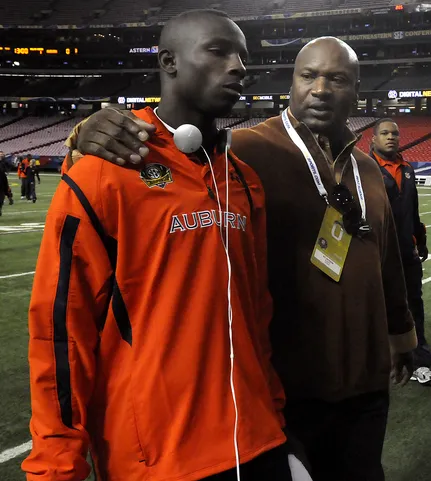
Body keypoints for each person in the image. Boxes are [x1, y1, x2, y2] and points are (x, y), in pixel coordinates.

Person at [61, 35, 417, 481]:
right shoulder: (242, 151)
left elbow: (386, 258)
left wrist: (402, 336)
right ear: (292, 82)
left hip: (365, 385)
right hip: (285, 386)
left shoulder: (368, 169)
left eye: (337, 79)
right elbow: (162, 156)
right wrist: (89, 132)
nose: (320, 89)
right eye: (308, 76)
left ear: (357, 91)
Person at [22, 11, 292, 481]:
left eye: (244, 57)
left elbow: (256, 313)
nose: (238, 67)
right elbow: (61, 331)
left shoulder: (245, 182)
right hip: (158, 459)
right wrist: (54, 466)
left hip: (257, 442)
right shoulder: (104, 171)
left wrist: (274, 416)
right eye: (218, 50)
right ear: (168, 61)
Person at [370, 118, 431, 385]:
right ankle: (380, 358)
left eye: (394, 134)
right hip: (376, 253)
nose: (390, 137)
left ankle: (419, 360)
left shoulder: (407, 169)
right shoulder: (364, 168)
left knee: (413, 305)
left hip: (406, 252)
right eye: (384, 133)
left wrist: (420, 240)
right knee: (375, 308)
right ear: (372, 139)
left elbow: (414, 210)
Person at [0, 151, 14, 215]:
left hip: (2, 185)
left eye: (2, 154)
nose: (1, 156)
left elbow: (6, 185)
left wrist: (9, 196)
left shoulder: (5, 162)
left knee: (1, 201)